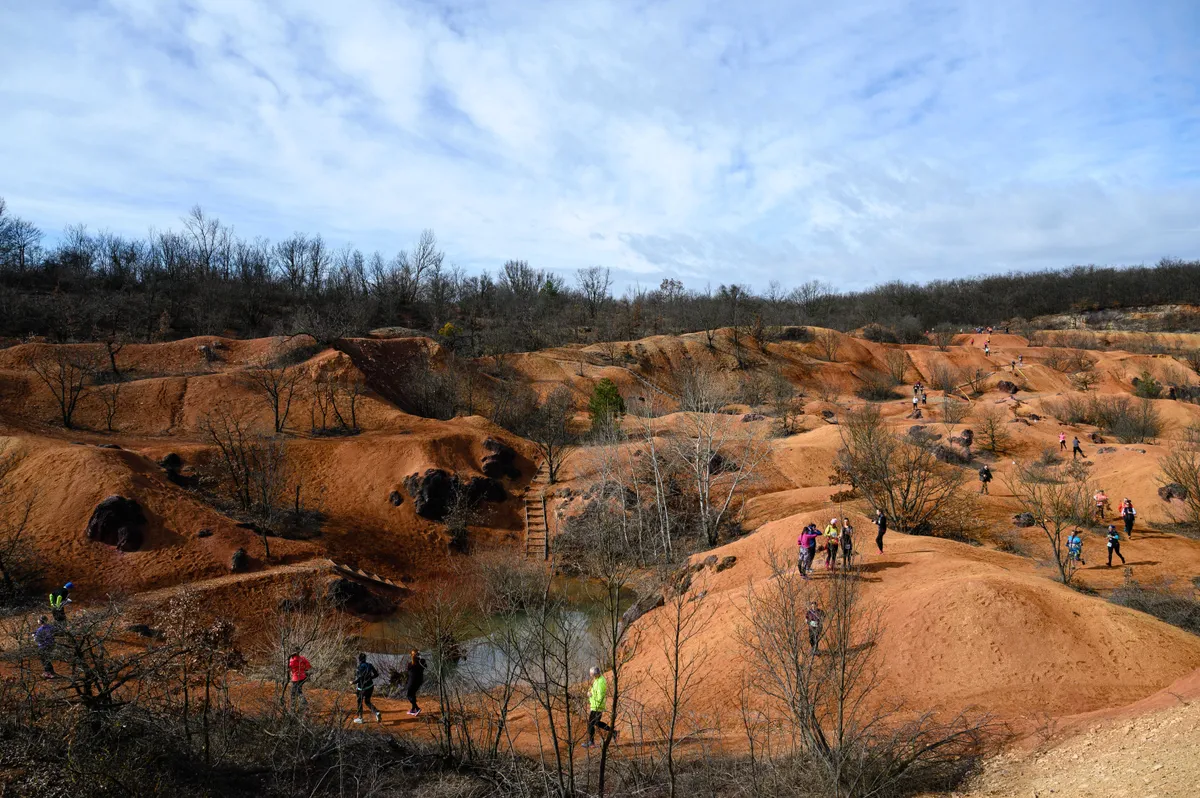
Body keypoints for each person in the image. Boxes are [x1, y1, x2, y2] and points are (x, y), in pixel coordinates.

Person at [582, 666, 616, 748]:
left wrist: (591, 696)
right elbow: (593, 690)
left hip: (597, 706)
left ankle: (591, 742)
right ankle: (614, 732)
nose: (590, 675)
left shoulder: (601, 681)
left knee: (591, 724)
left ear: (595, 674)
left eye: (591, 674)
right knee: (595, 723)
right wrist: (589, 692)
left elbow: (600, 696)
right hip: (595, 705)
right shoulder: (597, 680)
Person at [352, 653, 382, 723]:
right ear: (365, 659)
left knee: (359, 702)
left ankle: (360, 718)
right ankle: (377, 712)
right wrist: (370, 678)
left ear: (359, 659)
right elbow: (376, 674)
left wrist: (353, 682)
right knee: (367, 701)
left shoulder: (359, 667)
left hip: (362, 689)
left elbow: (360, 678)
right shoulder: (370, 665)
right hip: (370, 687)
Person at [405, 649, 426, 716]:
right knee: (413, 694)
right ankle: (413, 710)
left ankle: (417, 708)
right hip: (419, 681)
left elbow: (408, 671)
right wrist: (420, 658)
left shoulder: (410, 664)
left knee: (409, 695)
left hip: (412, 681)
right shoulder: (422, 662)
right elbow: (425, 666)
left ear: (411, 655)